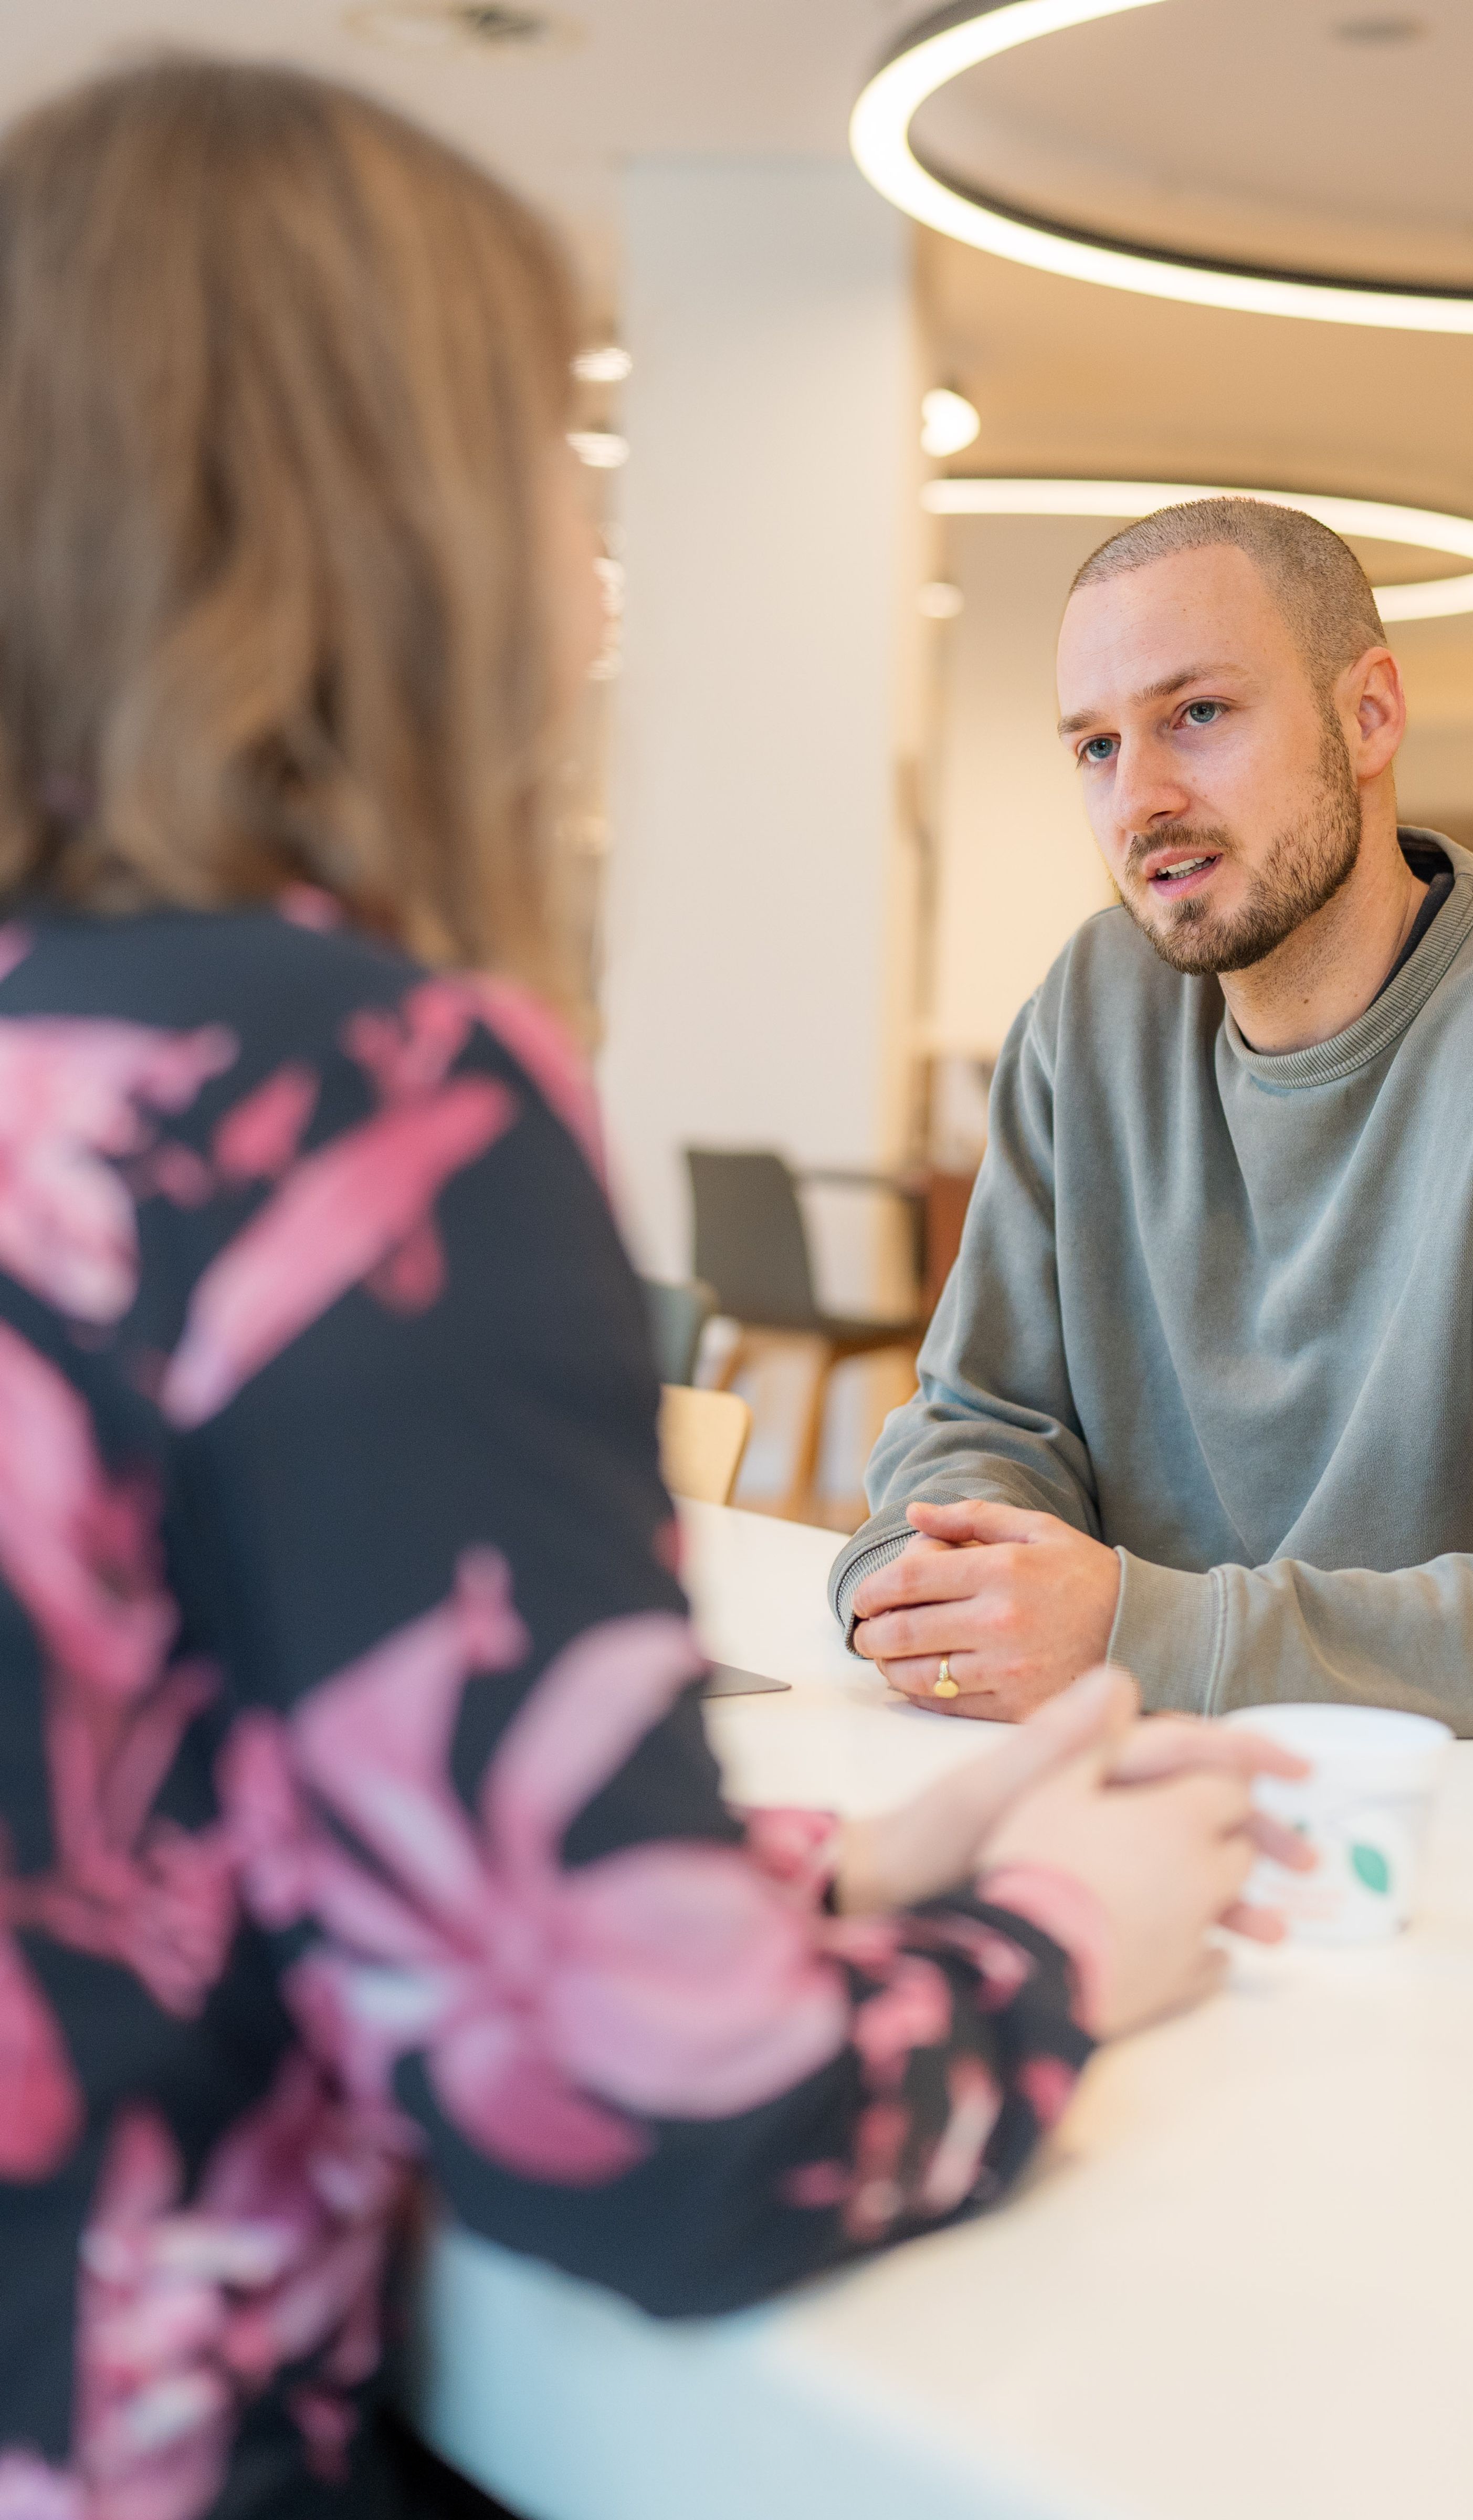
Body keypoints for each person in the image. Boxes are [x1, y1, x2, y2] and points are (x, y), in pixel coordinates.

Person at [0, 68, 1307, 2520]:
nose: (592, 562)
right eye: (548, 455)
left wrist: (816, 1877)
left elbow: (157, 1818)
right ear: (387, 522)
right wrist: (1052, 1927)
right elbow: (661, 2134)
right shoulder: (350, 1102)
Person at [837, 497, 1473, 1740]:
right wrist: (932, 1590)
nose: (1141, 801)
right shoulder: (1091, 1011)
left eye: (1199, 714)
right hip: (1131, 1800)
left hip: (1463, 1842)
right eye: (1096, 747)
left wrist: (1152, 1636)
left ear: (1370, 716)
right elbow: (979, 1421)